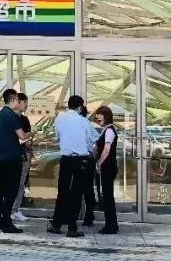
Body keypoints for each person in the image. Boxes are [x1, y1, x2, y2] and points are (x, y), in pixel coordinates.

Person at [48, 95, 96, 238]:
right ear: (80, 107)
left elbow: (57, 137)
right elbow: (91, 140)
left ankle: (56, 224)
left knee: (62, 191)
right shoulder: (84, 121)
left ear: (69, 105)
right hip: (81, 160)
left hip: (65, 159)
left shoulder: (60, 120)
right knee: (76, 193)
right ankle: (72, 227)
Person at [0, 88, 28, 233]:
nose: (19, 102)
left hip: (1, 157)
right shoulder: (12, 116)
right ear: (13, 100)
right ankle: (7, 222)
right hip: (13, 157)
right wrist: (30, 134)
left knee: (1, 189)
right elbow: (22, 136)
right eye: (18, 100)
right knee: (11, 191)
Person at [92, 106, 119, 234]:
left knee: (108, 197)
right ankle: (112, 224)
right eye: (97, 115)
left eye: (100, 114)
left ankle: (111, 226)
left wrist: (99, 163)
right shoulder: (106, 130)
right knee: (107, 196)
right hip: (108, 167)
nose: (98, 117)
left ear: (106, 116)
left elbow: (106, 150)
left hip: (108, 167)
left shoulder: (109, 130)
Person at [10, 93, 33, 222]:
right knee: (9, 183)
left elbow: (27, 137)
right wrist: (25, 135)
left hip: (22, 155)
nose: (27, 106)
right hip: (10, 155)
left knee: (20, 184)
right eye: (25, 103)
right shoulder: (8, 117)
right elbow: (24, 135)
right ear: (18, 102)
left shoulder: (24, 120)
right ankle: (7, 209)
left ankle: (15, 209)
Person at [79, 102, 98, 227]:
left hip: (84, 158)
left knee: (85, 188)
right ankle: (88, 215)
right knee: (87, 188)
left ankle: (89, 214)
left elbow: (97, 140)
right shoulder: (86, 124)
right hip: (86, 158)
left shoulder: (85, 123)